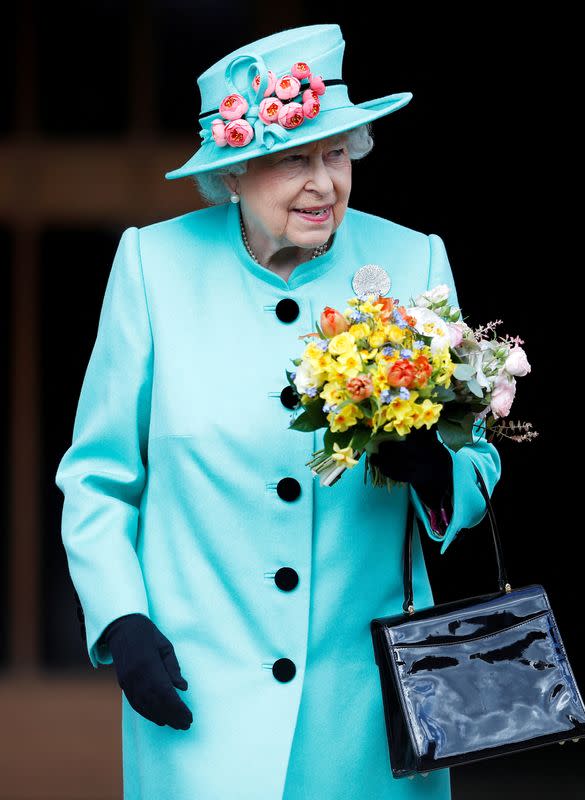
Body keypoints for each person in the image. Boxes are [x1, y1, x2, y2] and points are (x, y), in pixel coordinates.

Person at [55, 22, 501, 800]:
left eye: (336, 153)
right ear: (230, 174)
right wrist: (120, 620)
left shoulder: (411, 260)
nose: (323, 183)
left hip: (366, 705)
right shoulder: (152, 268)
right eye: (293, 158)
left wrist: (437, 470)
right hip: (196, 694)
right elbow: (98, 478)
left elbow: (480, 458)